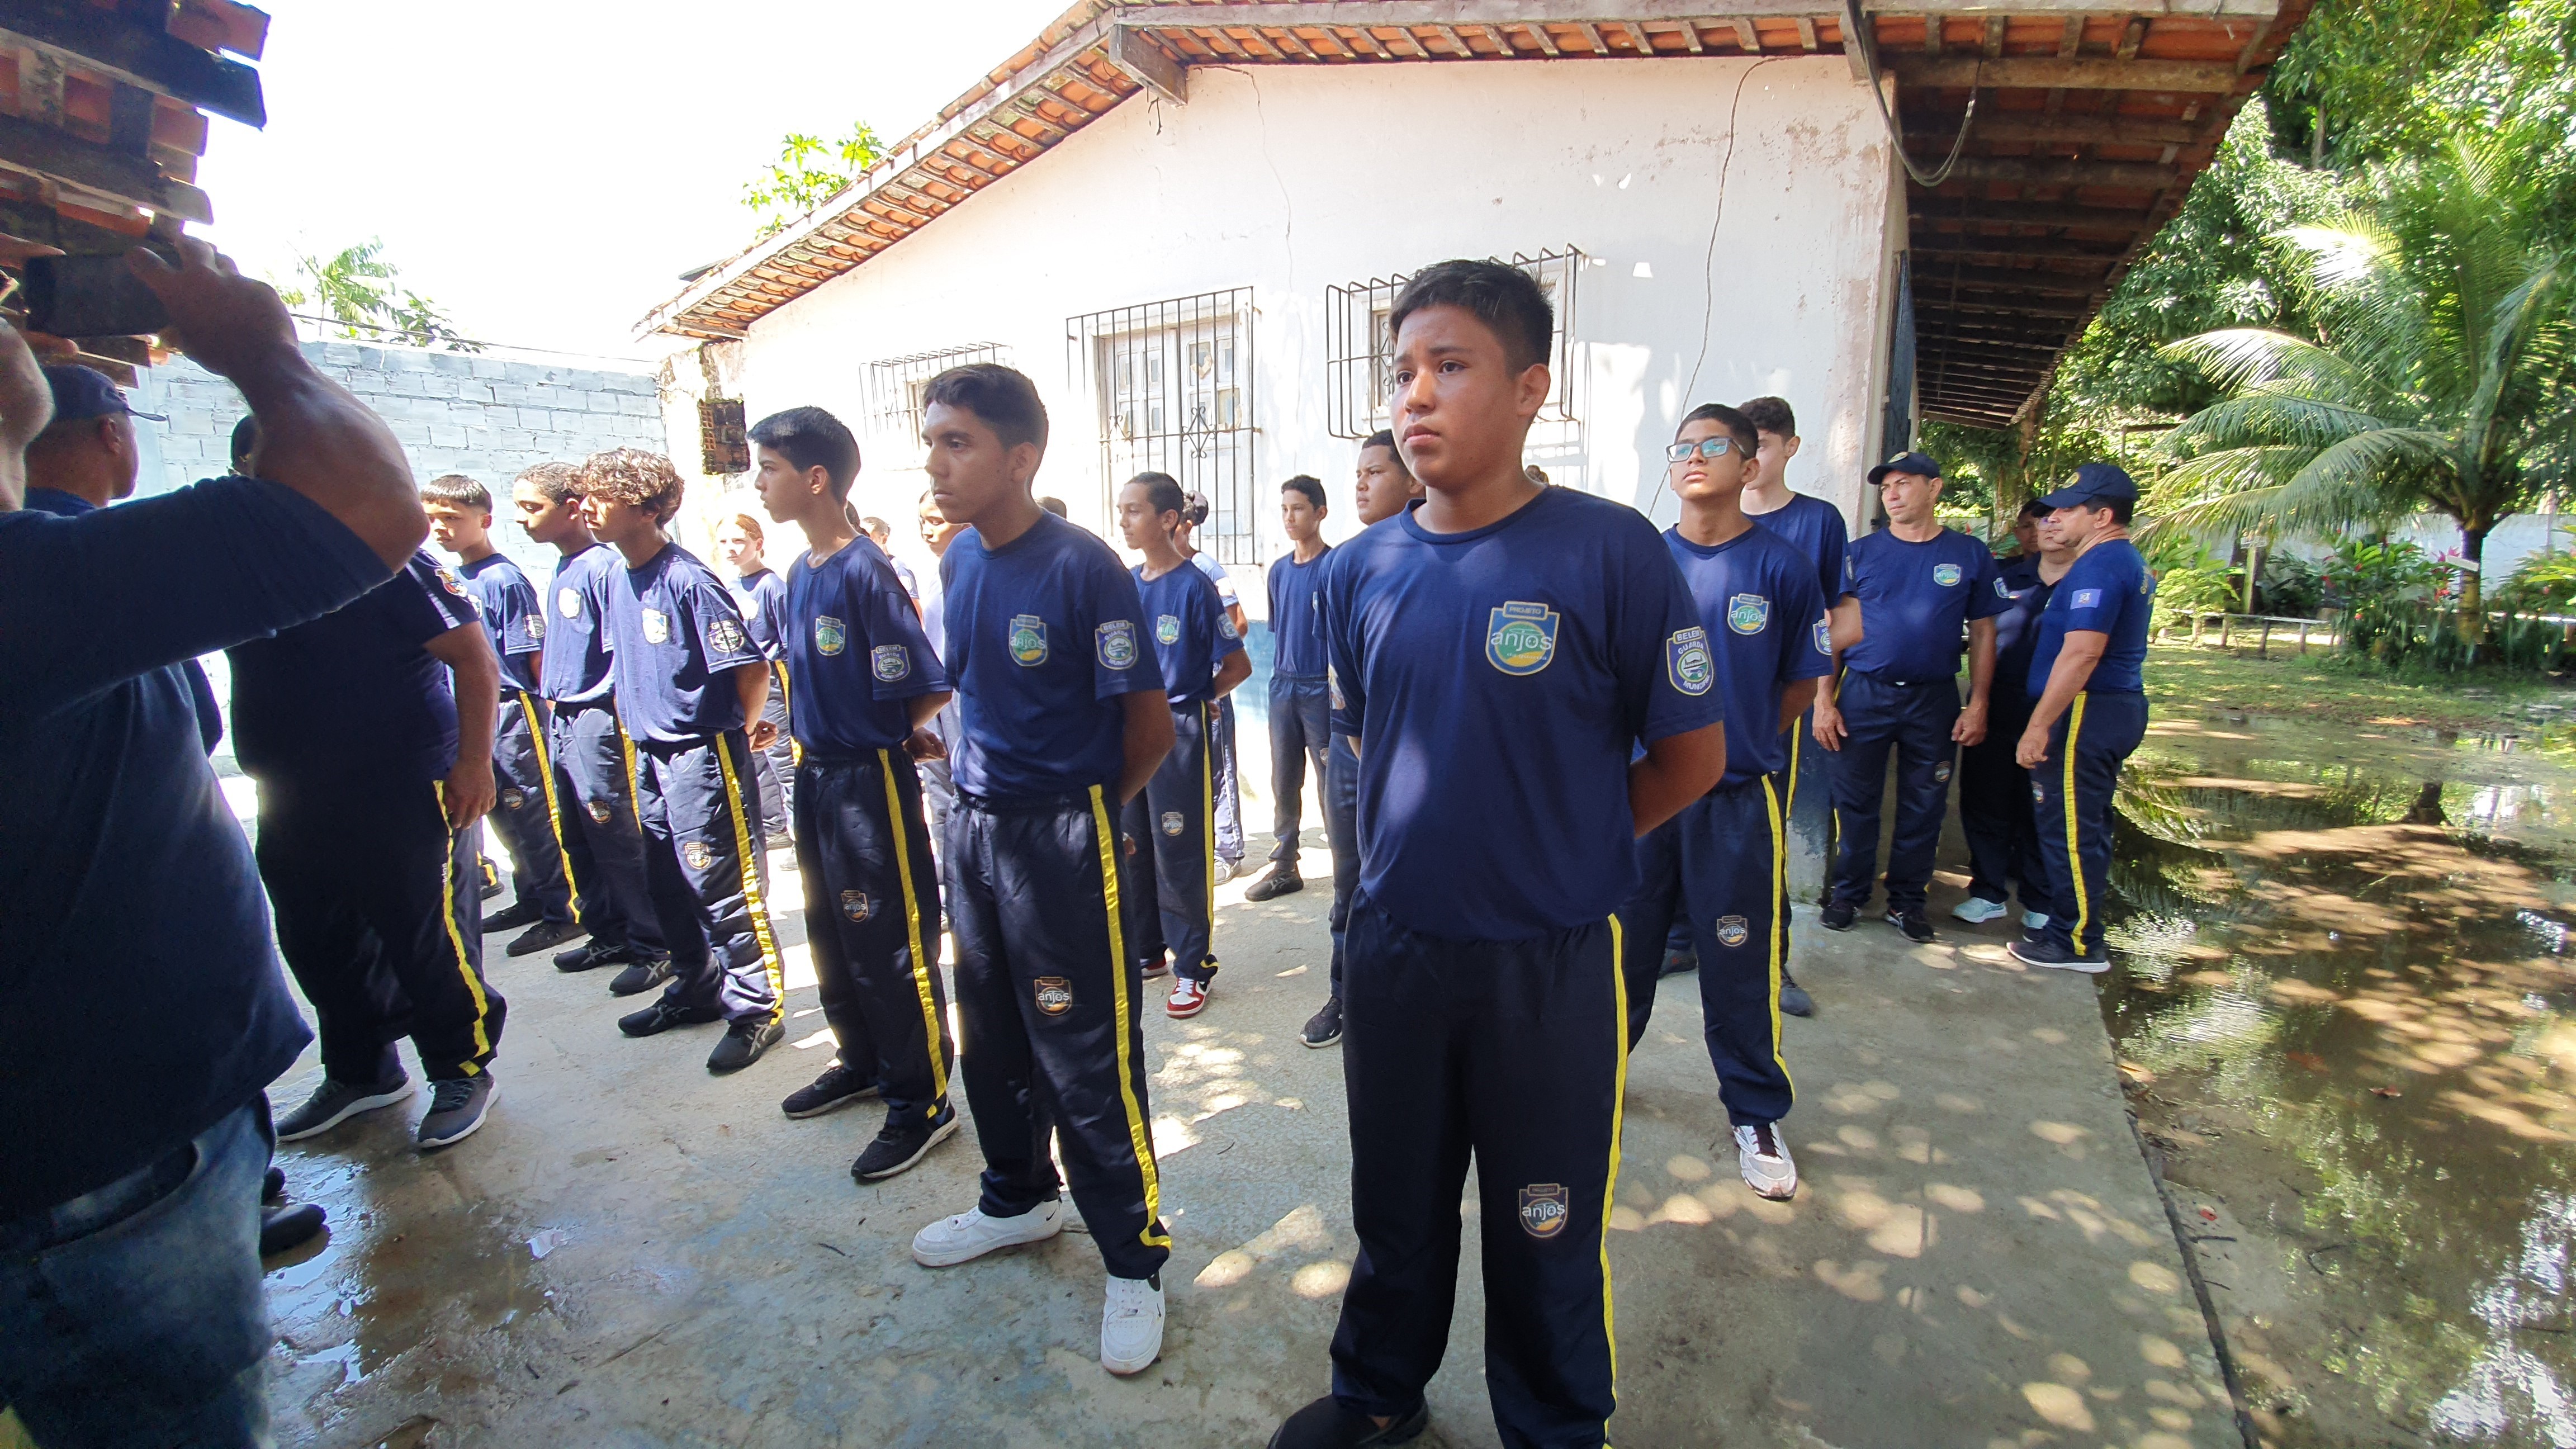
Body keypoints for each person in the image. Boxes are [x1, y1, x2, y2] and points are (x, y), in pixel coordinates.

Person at [1275, 261, 1725, 1449]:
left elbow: (1690, 759)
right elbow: (1378, 740)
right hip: (1398, 952)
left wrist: (1562, 844)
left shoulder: (1609, 550)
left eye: (1452, 366)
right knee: (1399, 1205)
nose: (1415, 397)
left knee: (1544, 1220)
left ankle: (1558, 1421)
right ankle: (1378, 1394)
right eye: (1404, 372)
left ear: (1531, 390)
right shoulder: (1362, 570)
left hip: (1552, 958)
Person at [0, 240, 428, 1449]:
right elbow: (361, 499)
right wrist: (258, 349)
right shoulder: (25, 591)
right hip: (95, 1185)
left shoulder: (46, 566)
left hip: (117, 1151)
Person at [903, 363, 1177, 1379]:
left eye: (956, 442)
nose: (933, 462)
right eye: (930, 440)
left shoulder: (1085, 567)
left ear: (1019, 458)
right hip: (972, 834)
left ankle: (1131, 1256)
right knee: (994, 1035)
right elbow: (963, 692)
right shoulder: (958, 562)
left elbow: (1145, 730)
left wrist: (1083, 823)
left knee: (1086, 1050)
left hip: (1061, 838)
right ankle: (1016, 1200)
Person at [231, 413, 507, 1154]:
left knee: (426, 940)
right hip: (291, 794)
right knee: (319, 940)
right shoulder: (242, 566)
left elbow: (477, 664)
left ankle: (462, 1066)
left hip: (400, 788)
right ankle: (362, 1071)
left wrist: (474, 763)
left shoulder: (386, 556)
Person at [1615, 402, 1830, 1204]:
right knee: (1620, 957)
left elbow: (1799, 683)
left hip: (1736, 803)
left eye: (1716, 445)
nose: (1695, 457)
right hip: (1642, 801)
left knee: (1739, 963)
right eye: (1683, 446)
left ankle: (1755, 1112)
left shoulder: (1781, 566)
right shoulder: (1641, 562)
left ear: (1751, 465)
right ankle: (1598, 1080)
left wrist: (1731, 754)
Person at [751, 406, 960, 1178]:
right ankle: (864, 1062)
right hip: (815, 776)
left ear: (815, 478)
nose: (758, 484)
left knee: (890, 944)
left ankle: (924, 1099)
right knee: (834, 940)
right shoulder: (799, 574)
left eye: (769, 469)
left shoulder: (865, 569)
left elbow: (923, 681)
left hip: (867, 781)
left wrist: (891, 736)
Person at [582, 449, 788, 1074]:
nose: (587, 508)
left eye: (602, 497)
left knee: (722, 886)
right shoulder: (619, 576)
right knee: (667, 883)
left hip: (701, 756)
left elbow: (751, 668)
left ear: (645, 509)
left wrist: (742, 730)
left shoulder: (687, 580)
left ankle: (757, 1009)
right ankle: (697, 989)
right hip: (650, 753)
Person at [1813, 451, 2006, 944]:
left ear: (1935, 488)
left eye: (1903, 484)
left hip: (1933, 699)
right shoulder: (1860, 554)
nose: (1892, 495)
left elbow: (1984, 632)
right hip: (1864, 694)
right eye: (1885, 488)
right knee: (1855, 803)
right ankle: (1849, 894)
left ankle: (1907, 901)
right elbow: (1832, 631)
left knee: (1926, 803)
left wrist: (1979, 701)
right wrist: (1823, 699)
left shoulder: (1968, 554)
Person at [510, 461, 673, 992]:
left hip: (598, 718)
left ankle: (654, 944)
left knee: (617, 834)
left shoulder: (605, 567)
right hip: (564, 714)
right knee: (578, 831)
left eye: (533, 507)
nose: (522, 519)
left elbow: (621, 651)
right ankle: (609, 930)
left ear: (571, 508)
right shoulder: (565, 567)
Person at [425, 473, 585, 958]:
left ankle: (567, 909)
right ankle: (532, 896)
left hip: (513, 710)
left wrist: (546, 706)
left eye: (452, 519)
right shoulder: (453, 577)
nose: (440, 529)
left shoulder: (502, 579)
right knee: (501, 816)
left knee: (534, 812)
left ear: (484, 521)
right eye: (432, 519)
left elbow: (531, 654)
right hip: (473, 713)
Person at [1115, 470, 1252, 1017]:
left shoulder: (1195, 586)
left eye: (1134, 511)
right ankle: (1148, 950)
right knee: (1134, 847)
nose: (1123, 520)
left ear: (1169, 519)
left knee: (1180, 851)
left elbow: (1238, 663)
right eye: (1121, 510)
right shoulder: (1125, 584)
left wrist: (1201, 694)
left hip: (1179, 732)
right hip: (1129, 731)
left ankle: (1194, 967)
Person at [2010, 465, 2155, 972]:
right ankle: (2078, 928)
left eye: (2069, 509)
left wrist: (2038, 724)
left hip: (2086, 711)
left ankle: (2075, 940)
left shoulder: (2101, 566)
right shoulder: (2120, 561)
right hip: (2106, 709)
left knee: (2067, 829)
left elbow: (2082, 654)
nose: (2055, 516)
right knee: (2085, 827)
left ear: (2103, 516)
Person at [1300, 430, 1419, 1049]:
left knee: (1409, 884)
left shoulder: (1435, 559)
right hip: (1352, 751)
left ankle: (1404, 1001)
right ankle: (1346, 994)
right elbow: (1338, 673)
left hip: (1410, 759)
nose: (1362, 483)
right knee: (1350, 884)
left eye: (1377, 471)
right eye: (1359, 472)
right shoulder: (1346, 564)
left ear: (1414, 480)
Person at [1954, 501, 2062, 929]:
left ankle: (2040, 898)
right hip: (1999, 702)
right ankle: (1987, 890)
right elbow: (1982, 634)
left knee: (2041, 802)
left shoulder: (2086, 578)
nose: (2038, 532)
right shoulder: (2004, 577)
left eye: (2048, 523)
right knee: (1987, 797)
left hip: (2055, 708)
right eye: (2028, 525)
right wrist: (1977, 702)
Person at [1248, 474, 1333, 904]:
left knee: (1331, 780)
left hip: (1322, 686)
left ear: (1320, 512)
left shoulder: (1336, 567)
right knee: (1284, 778)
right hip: (1284, 684)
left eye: (1298, 508)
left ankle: (1349, 868)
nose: (1290, 517)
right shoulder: (1279, 571)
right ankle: (1284, 865)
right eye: (1284, 509)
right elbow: (1280, 629)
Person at [1175, 490, 1248, 880]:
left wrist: (1203, 660)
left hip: (1211, 685)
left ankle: (1230, 850)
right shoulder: (1153, 573)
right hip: (1178, 693)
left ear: (1185, 526)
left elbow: (1238, 625)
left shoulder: (1206, 569)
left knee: (1220, 767)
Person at [716, 512, 796, 849]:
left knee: (783, 760)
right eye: (724, 542)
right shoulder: (726, 586)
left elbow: (791, 641)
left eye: (739, 541)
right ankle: (774, 826)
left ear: (757, 544)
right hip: (741, 682)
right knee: (756, 757)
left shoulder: (772, 586)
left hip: (773, 680)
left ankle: (801, 833)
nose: (731, 549)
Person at [914, 486, 968, 840]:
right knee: (938, 782)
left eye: (936, 521)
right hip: (935, 694)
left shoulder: (973, 572)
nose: (926, 530)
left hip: (963, 694)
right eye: (922, 521)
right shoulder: (934, 575)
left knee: (964, 781)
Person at [859, 513, 920, 598]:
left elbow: (915, 608)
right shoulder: (862, 568)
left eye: (867, 537)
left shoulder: (898, 569)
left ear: (884, 539)